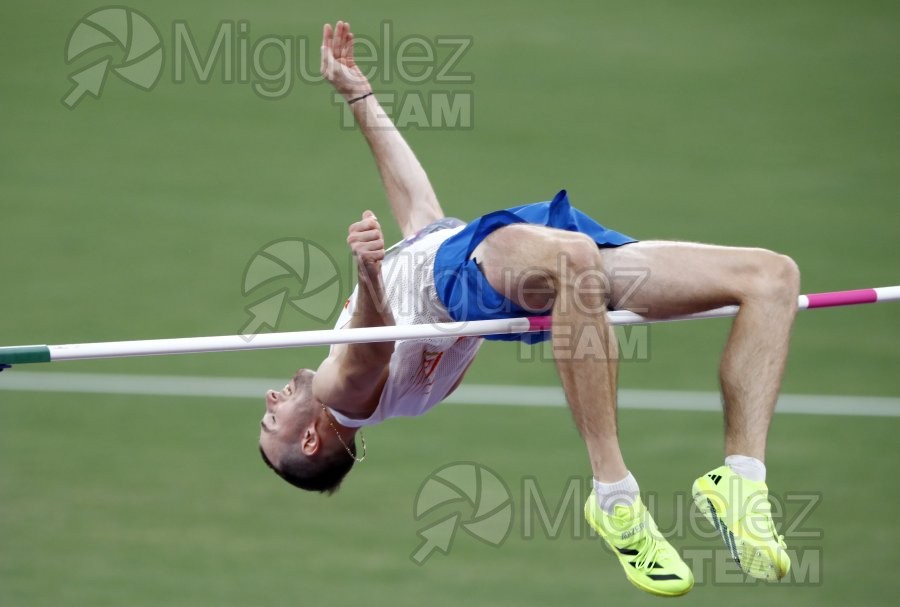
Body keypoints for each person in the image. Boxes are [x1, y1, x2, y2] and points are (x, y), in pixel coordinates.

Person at [258, 21, 799, 596]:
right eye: (272, 420)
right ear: (311, 441)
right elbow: (378, 344)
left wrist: (357, 94)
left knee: (770, 278)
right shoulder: (343, 394)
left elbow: (421, 215)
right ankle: (615, 497)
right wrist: (367, 275)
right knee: (575, 261)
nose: (270, 400)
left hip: (510, 262)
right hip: (471, 273)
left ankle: (741, 479)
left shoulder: (387, 394)